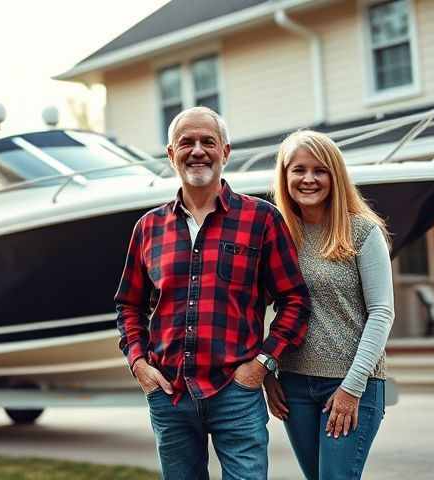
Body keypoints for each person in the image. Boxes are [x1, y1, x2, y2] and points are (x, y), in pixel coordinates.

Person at [115, 106, 311, 479]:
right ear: (171, 155)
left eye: (208, 141)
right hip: (169, 393)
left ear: (225, 151)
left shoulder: (262, 219)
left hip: (236, 392)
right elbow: (129, 305)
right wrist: (140, 365)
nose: (198, 150)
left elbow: (295, 300)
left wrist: (262, 365)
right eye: (186, 142)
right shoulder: (148, 228)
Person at [264, 130, 395, 479]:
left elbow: (382, 313)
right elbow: (256, 308)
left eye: (319, 170)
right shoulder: (277, 236)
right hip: (292, 385)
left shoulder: (363, 233)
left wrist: (351, 389)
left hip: (353, 382)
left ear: (334, 175)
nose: (309, 179)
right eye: (299, 169)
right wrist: (267, 371)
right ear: (285, 175)